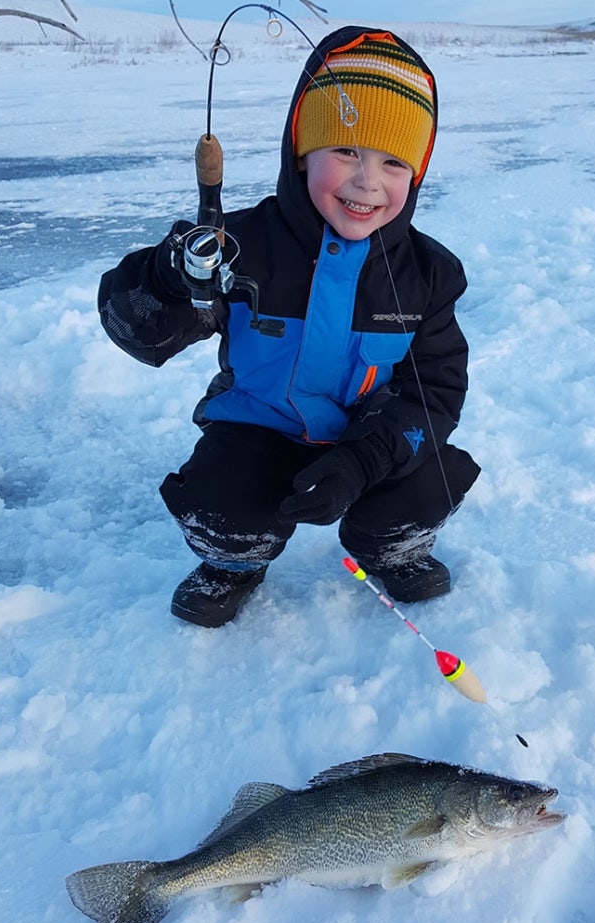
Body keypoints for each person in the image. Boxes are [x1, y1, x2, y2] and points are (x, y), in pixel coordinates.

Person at [98, 25, 480, 628]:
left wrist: (365, 459)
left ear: (417, 173)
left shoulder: (427, 275)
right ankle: (234, 561)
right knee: (224, 506)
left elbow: (433, 391)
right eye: (346, 151)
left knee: (426, 482)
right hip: (260, 428)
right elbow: (138, 332)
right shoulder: (241, 247)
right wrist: (172, 279)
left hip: (371, 438)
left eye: (392, 161)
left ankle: (392, 548)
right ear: (302, 151)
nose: (367, 181)